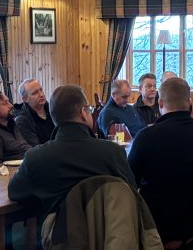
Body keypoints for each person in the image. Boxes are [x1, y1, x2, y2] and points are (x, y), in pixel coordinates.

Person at [9, 84, 136, 216]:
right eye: (89, 109)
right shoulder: (113, 152)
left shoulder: (36, 157)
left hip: (63, 233)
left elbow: (15, 192)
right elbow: (132, 192)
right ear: (83, 113)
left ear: (54, 117)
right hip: (110, 231)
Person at [128, 77, 193, 242]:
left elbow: (130, 180)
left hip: (155, 222)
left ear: (160, 103)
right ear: (189, 102)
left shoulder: (147, 137)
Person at [13, 78, 55, 147]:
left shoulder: (53, 110)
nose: (41, 95)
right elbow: (35, 148)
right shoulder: (22, 120)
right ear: (25, 99)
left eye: (41, 90)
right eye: (35, 93)